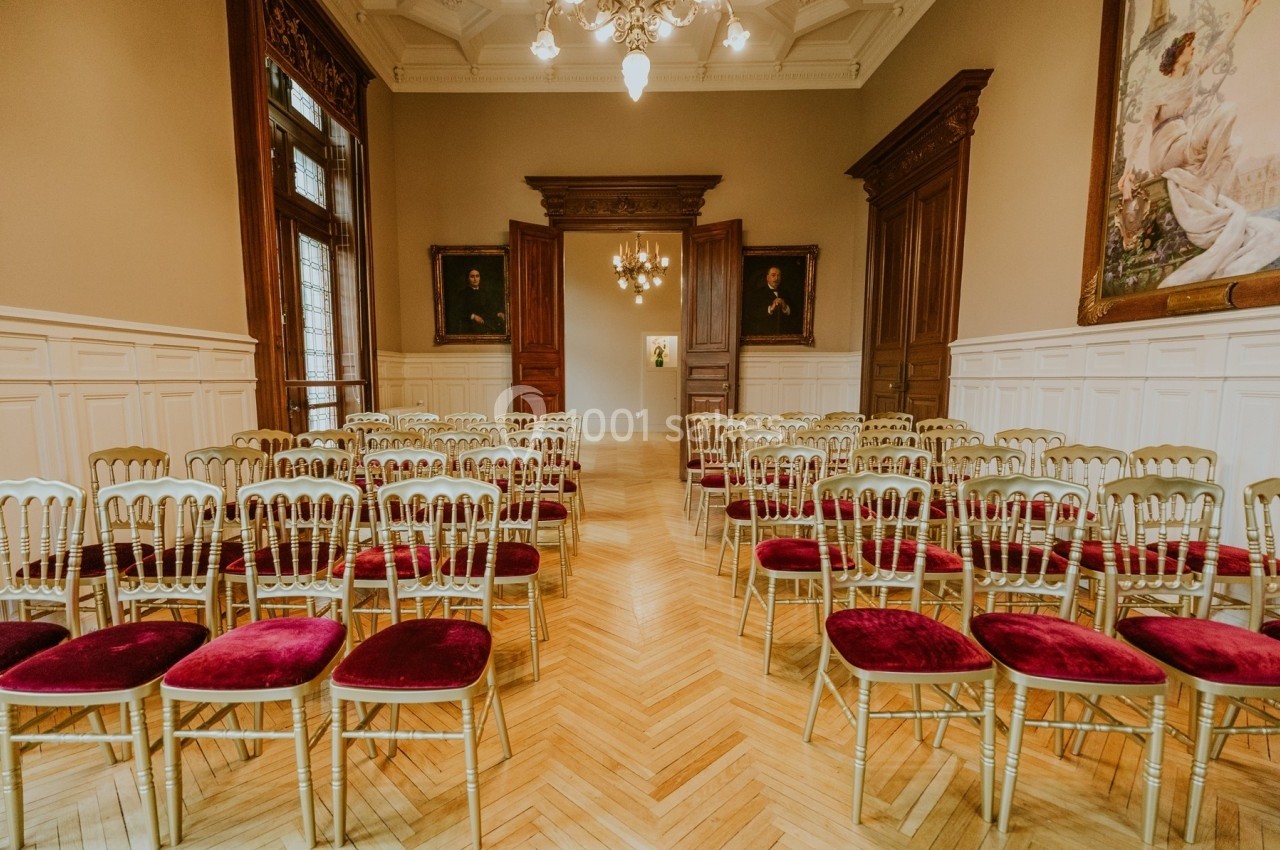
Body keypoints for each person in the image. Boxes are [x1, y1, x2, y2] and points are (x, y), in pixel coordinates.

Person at [1118, 0, 1280, 289]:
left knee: (1235, 138)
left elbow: (1219, 50)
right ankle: (1203, 180)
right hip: (1166, 148)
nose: (1194, 52)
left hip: (1185, 137)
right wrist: (1127, 171)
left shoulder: (1192, 75)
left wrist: (1242, 17)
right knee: (1227, 112)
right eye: (1190, 48)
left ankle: (1206, 186)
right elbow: (1142, 130)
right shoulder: (1158, 89)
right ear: (1178, 53)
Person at [742, 265, 803, 337]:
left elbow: (796, 313)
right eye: (773, 275)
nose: (776, 278)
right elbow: (751, 314)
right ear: (767, 278)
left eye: (778, 276)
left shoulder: (786, 293)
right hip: (764, 335)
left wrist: (785, 307)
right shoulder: (758, 293)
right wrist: (770, 309)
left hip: (784, 336)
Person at [447, 267, 505, 335]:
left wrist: (498, 313)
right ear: (468, 278)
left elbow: (489, 308)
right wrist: (473, 316)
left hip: (485, 325)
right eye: (472, 276)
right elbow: (458, 311)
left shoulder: (484, 292)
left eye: (477, 276)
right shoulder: (462, 294)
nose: (475, 279)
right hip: (469, 327)